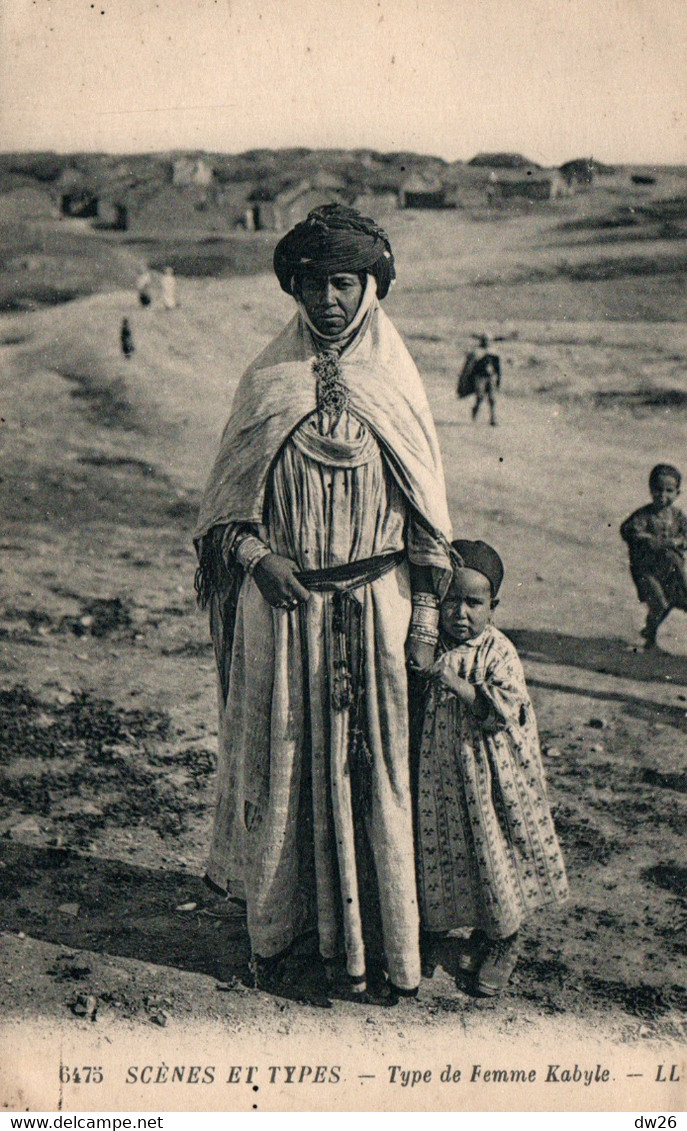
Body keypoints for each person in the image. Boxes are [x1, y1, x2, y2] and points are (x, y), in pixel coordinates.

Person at [194, 204, 454, 1000]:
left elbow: (428, 523)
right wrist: (259, 558)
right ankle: (279, 941)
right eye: (312, 283)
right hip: (284, 610)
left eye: (344, 281)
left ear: (371, 286)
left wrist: (426, 623)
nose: (328, 299)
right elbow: (221, 518)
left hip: (376, 608)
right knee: (286, 770)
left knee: (377, 779)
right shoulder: (267, 381)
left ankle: (383, 951)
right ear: (295, 287)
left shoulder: (395, 383)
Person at [416, 539, 569, 997]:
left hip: (491, 778)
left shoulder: (498, 651)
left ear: (492, 607)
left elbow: (501, 710)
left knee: (494, 850)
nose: (460, 613)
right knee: (447, 850)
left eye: (473, 603)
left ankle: (504, 940)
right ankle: (433, 932)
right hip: (441, 776)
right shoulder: (431, 644)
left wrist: (452, 680)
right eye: (451, 601)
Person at [620, 463, 687, 650]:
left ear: (677, 493)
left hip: (670, 570)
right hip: (646, 569)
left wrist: (679, 542)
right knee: (658, 602)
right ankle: (650, 636)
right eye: (658, 490)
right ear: (651, 490)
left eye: (669, 491)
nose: (663, 496)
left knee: (673, 600)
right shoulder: (645, 515)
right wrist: (650, 540)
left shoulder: (678, 517)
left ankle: (650, 634)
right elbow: (628, 530)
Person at [457, 334, 501, 426]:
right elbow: (469, 367)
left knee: (492, 398)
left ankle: (493, 419)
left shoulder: (494, 352)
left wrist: (498, 379)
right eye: (485, 340)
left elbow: (498, 367)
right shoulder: (476, 352)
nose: (486, 342)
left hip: (490, 377)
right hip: (479, 377)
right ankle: (475, 410)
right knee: (480, 397)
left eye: (488, 340)